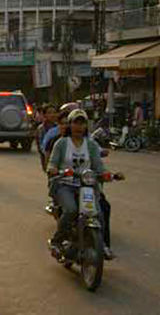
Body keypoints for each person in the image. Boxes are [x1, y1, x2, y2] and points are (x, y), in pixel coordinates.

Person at [46, 109, 119, 259]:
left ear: (86, 126)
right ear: (70, 125)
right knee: (71, 210)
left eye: (82, 123)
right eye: (75, 123)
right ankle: (57, 241)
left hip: (86, 186)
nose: (79, 127)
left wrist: (108, 174)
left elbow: (99, 166)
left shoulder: (91, 145)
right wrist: (54, 170)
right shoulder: (61, 143)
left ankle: (103, 244)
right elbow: (51, 164)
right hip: (64, 184)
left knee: (98, 213)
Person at [36, 104, 58, 172]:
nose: (52, 115)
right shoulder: (41, 129)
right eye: (49, 112)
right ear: (44, 115)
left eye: (54, 112)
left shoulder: (59, 127)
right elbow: (40, 146)